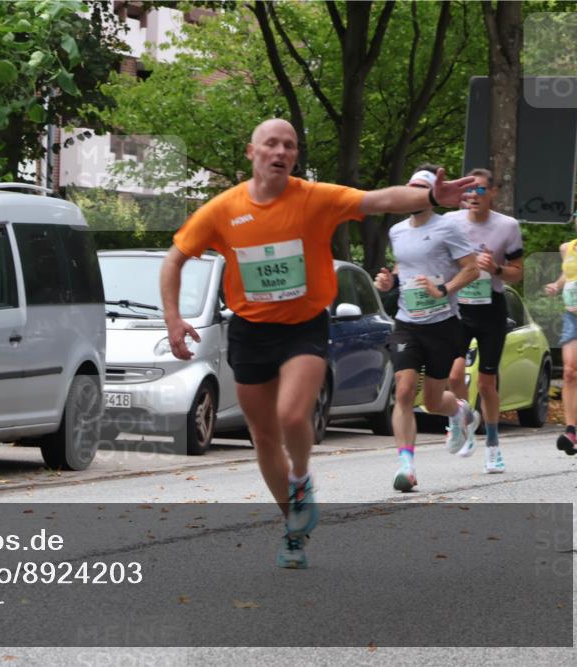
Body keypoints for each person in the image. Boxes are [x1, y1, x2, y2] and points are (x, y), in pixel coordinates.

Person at [160, 120, 474, 569]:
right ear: (252, 152)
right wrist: (173, 319)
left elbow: (378, 199)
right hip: (250, 330)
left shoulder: (314, 197)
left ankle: (302, 478)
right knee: (263, 435)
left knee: (291, 414)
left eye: (289, 145)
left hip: (304, 326)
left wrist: (428, 197)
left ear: (294, 156)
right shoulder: (223, 209)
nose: (281, 151)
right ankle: (293, 527)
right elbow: (175, 260)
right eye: (271, 144)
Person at [374, 166, 480, 493]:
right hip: (407, 323)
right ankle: (406, 465)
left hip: (442, 325)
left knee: (433, 402)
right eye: (412, 187)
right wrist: (389, 281)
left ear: (432, 195)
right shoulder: (397, 231)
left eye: (423, 188)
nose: (416, 193)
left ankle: (462, 412)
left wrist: (444, 289)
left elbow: (472, 269)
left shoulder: (447, 228)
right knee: (404, 391)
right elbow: (403, 266)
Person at [443, 168, 524, 473]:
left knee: (487, 383)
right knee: (453, 377)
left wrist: (497, 269)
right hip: (459, 307)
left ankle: (493, 446)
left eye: (479, 190)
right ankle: (464, 424)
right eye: (468, 191)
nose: (472, 197)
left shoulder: (507, 226)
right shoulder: (450, 223)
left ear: (492, 193)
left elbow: (518, 271)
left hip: (491, 308)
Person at [543, 202, 577, 456]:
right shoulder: (567, 249)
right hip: (574, 318)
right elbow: (568, 275)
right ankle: (571, 431)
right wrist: (556, 285)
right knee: (571, 373)